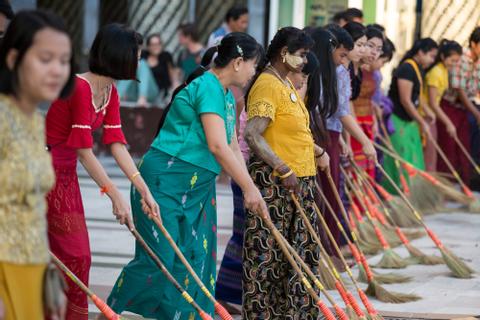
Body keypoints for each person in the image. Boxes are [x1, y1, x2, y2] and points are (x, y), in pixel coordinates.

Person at [106, 32, 267, 320]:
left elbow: (231, 145)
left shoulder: (227, 96)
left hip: (197, 188)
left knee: (192, 260)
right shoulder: (207, 86)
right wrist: (249, 188)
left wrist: (250, 187)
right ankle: (109, 313)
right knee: (159, 259)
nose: (254, 72)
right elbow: (217, 145)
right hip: (165, 182)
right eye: (254, 65)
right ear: (239, 62)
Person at [46, 23, 159, 319]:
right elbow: (85, 151)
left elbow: (116, 143)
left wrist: (142, 188)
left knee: (75, 256)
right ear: (119, 53)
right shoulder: (80, 87)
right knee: (74, 255)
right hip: (44, 174)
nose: (138, 60)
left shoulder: (109, 90)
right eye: (136, 54)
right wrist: (114, 195)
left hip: (65, 175)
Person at [243, 26, 329, 320]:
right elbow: (253, 135)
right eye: (302, 54)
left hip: (298, 182)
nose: (305, 60)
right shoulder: (267, 84)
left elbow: (294, 131)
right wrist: (282, 167)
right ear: (284, 53)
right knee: (270, 259)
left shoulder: (284, 83)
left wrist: (317, 152)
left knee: (297, 257)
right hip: (276, 184)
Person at [0, 10, 74, 319]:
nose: (57, 70)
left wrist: (48, 276)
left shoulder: (33, 120)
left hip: (31, 268)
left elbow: (32, 207)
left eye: (64, 60)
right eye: (45, 59)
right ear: (15, 58)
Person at [321, 25, 376, 255]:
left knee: (332, 192)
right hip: (322, 135)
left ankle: (331, 247)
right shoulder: (336, 71)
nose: (363, 50)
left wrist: (343, 139)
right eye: (359, 45)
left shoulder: (342, 70)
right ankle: (326, 249)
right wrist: (364, 141)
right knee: (326, 193)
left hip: (331, 134)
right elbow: (341, 111)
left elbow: (338, 111)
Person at [383, 38, 438, 193]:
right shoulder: (406, 69)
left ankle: (413, 194)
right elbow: (406, 101)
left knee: (414, 158)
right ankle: (398, 193)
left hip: (409, 121)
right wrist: (422, 121)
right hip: (398, 119)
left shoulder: (418, 68)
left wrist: (427, 112)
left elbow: (417, 96)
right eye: (431, 56)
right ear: (421, 52)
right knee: (401, 158)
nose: (432, 60)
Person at [439, 27, 480, 181]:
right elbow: (460, 91)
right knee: (450, 147)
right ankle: (449, 184)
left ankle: (467, 183)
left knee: (466, 146)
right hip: (451, 106)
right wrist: (476, 114)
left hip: (467, 106)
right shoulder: (461, 58)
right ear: (474, 44)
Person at [351, 26, 384, 178]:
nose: (374, 52)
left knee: (367, 166)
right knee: (355, 169)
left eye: (378, 49)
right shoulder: (351, 69)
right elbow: (348, 101)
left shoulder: (371, 71)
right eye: (370, 46)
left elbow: (370, 98)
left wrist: (375, 121)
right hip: (352, 123)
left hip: (368, 122)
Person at [424, 40, 462, 172]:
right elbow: (433, 103)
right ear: (442, 57)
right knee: (429, 154)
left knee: (432, 153)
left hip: (432, 115)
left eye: (457, 61)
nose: (454, 64)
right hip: (425, 114)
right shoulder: (436, 72)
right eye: (452, 60)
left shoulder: (444, 70)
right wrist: (448, 123)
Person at [143, 34, 177, 101]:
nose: (156, 47)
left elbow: (173, 76)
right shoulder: (143, 56)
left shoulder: (166, 56)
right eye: (153, 44)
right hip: (144, 91)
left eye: (158, 44)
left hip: (161, 93)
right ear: (148, 46)